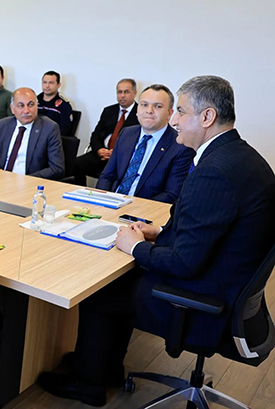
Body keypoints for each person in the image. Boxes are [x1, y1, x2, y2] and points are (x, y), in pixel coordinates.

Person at [38, 76, 275, 407]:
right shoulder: (240, 156)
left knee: (102, 292)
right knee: (121, 282)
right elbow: (210, 230)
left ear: (207, 117)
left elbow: (184, 262)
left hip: (207, 299)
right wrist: (159, 232)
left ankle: (88, 383)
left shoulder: (214, 171)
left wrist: (135, 247)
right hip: (228, 280)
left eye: (180, 111)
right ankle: (104, 368)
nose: (174, 120)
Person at [95, 84, 194, 203]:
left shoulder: (180, 146)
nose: (149, 111)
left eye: (158, 106)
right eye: (144, 105)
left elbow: (171, 194)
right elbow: (107, 175)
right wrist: (101, 201)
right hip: (111, 203)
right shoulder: (126, 134)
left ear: (169, 113)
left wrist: (132, 207)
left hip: (144, 210)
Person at [0, 88, 64, 180]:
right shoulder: (3, 125)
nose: (26, 111)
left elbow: (57, 168)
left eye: (31, 105)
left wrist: (26, 180)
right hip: (1, 180)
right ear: (12, 109)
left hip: (30, 183)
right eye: (21, 106)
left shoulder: (49, 128)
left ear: (37, 105)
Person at [73, 79, 140, 185]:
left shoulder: (140, 113)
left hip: (122, 158)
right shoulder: (109, 111)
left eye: (126, 92)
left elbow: (138, 142)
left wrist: (116, 153)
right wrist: (99, 150)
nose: (122, 95)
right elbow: (95, 135)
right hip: (102, 154)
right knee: (77, 163)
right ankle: (80, 191)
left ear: (135, 93)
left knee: (113, 176)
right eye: (119, 92)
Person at [36, 71, 73, 136]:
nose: (47, 86)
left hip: (51, 138)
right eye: (45, 82)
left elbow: (64, 131)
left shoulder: (64, 105)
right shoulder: (34, 101)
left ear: (58, 85)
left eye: (51, 83)